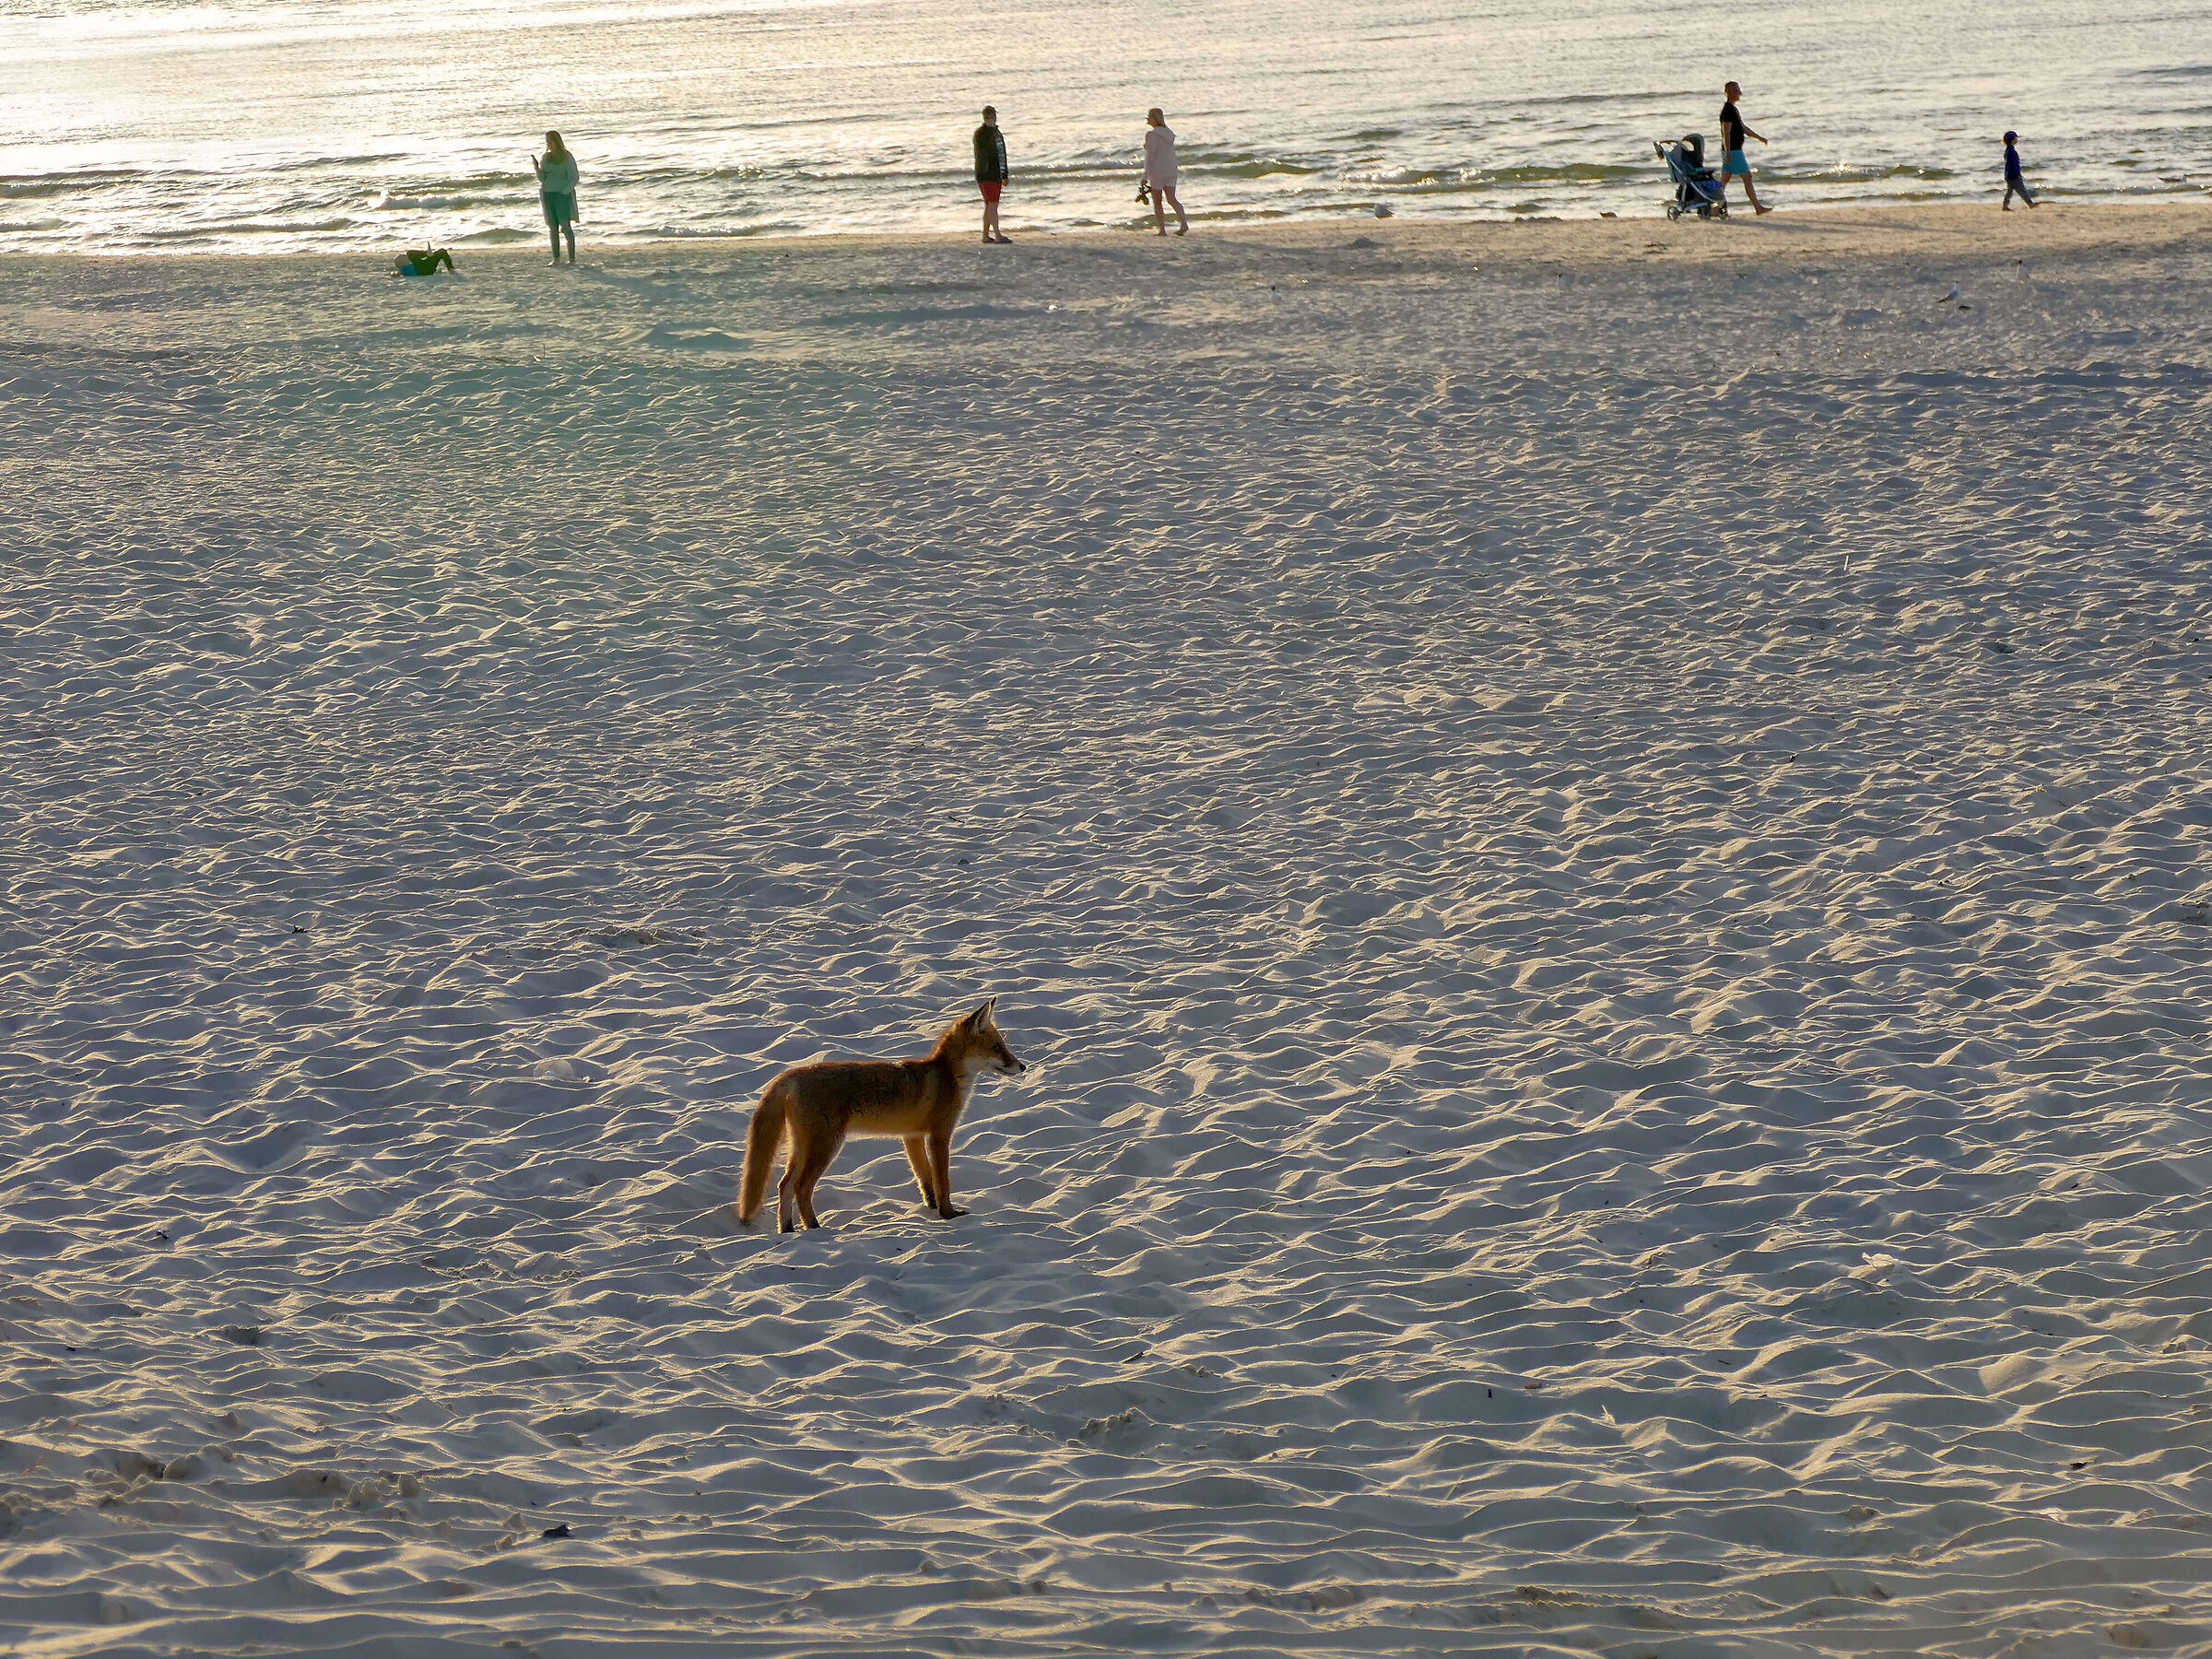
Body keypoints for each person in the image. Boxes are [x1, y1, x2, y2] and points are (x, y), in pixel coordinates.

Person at [1715, 82, 1771, 215]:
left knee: (1724, 181)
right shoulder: (1727, 110)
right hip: (1733, 151)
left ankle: (1715, 208)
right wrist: (1728, 152)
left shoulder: (1733, 109)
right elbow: (1726, 132)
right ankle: (1758, 207)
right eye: (1735, 90)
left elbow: (1743, 128)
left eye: (1738, 90)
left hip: (1732, 150)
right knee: (1747, 177)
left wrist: (1758, 137)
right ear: (1728, 93)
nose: (1738, 92)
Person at [533, 131, 579, 265]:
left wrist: (565, 191)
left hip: (562, 194)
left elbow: (574, 177)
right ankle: (556, 258)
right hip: (548, 194)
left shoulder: (567, 157)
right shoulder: (546, 157)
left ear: (557, 142)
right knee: (553, 227)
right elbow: (542, 179)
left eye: (550, 142)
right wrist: (537, 168)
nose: (548, 144)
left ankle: (572, 259)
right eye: (547, 142)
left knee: (565, 226)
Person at [1144, 108, 1189, 236]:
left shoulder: (1152, 135)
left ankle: (1162, 230)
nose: (1148, 120)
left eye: (1149, 117)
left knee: (1157, 201)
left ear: (1154, 118)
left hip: (1158, 171)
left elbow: (1150, 158)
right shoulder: (1168, 133)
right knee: (1172, 198)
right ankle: (1184, 223)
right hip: (1171, 169)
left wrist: (1145, 177)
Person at [973, 106, 1011, 244]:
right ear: (987, 117)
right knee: (992, 204)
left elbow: (1002, 154)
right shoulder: (981, 134)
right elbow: (985, 154)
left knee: (990, 205)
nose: (995, 118)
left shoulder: (997, 133)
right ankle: (997, 234)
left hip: (996, 173)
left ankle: (985, 235)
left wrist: (1004, 174)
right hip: (986, 173)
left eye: (995, 116)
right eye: (992, 116)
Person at [2002, 131, 2038, 210]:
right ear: (2012, 140)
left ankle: (2005, 206)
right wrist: (2018, 173)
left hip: (2008, 175)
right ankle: (2030, 204)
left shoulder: (2008, 150)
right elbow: (2014, 164)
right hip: (2013, 175)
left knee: (2010, 191)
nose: (2016, 140)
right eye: (2015, 139)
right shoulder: (2012, 151)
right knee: (2022, 190)